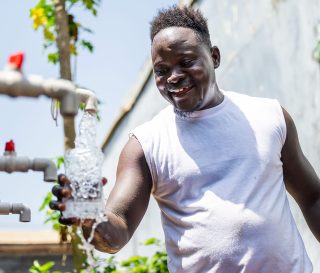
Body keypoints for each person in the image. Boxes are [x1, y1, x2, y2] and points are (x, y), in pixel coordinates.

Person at [50, 5, 320, 273]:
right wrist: (90, 217)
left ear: (214, 56)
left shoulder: (269, 116)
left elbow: (312, 198)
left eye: (187, 62)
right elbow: (117, 229)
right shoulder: (145, 145)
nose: (174, 77)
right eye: (161, 70)